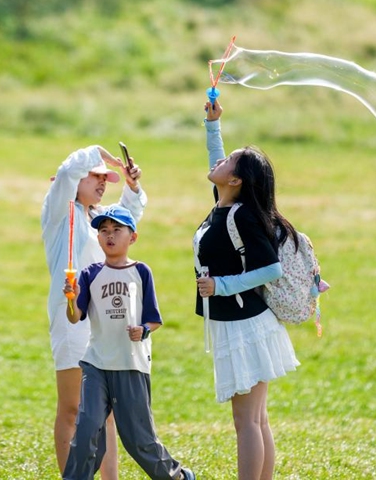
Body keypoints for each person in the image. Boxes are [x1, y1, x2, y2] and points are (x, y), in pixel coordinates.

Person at [194, 100, 300, 480]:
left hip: (244, 324)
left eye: (228, 164)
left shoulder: (239, 214)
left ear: (235, 180)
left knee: (248, 423)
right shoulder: (224, 205)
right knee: (256, 419)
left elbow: (270, 267)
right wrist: (212, 126)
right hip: (240, 322)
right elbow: (216, 162)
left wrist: (221, 285)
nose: (217, 165)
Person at [62, 206, 196, 480]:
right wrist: (71, 298)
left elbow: (154, 319)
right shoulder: (90, 273)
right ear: (98, 237)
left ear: (132, 237)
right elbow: (75, 317)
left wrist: (143, 330)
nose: (109, 236)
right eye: (103, 231)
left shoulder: (142, 271)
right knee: (87, 429)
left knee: (138, 439)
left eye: (116, 230)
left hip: (131, 364)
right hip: (96, 363)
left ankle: (177, 477)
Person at [41, 145, 146, 478]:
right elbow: (69, 168)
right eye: (96, 176)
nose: (102, 183)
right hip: (71, 316)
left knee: (107, 412)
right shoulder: (59, 211)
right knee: (73, 409)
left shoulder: (98, 219)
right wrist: (99, 152)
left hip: (105, 321)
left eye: (106, 178)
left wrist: (131, 186)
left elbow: (129, 218)